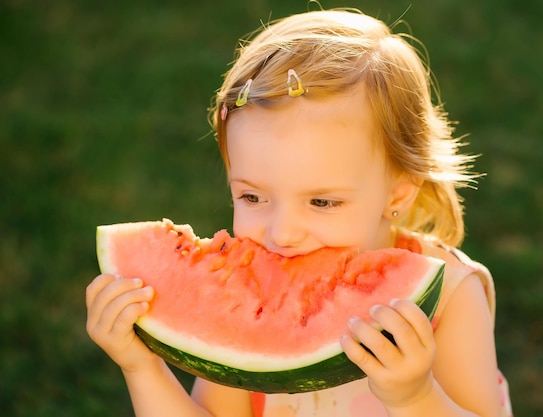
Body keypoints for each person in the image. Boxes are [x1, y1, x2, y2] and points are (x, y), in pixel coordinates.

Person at [86, 8, 513, 417]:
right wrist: (141, 367)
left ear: (397, 195)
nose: (283, 233)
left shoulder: (451, 295)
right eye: (253, 197)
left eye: (322, 202)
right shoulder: (245, 298)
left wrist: (415, 398)